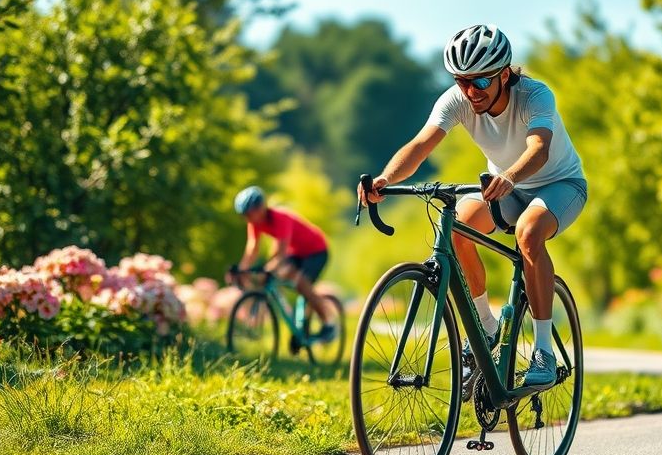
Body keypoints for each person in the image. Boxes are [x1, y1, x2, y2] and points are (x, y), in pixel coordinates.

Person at [358, 24, 586, 396]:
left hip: (558, 186)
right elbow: (420, 146)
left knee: (529, 233)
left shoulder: (535, 95)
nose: (470, 92)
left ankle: (544, 352)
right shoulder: (457, 100)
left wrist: (511, 176)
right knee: (458, 228)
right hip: (504, 188)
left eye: (480, 83)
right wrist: (384, 179)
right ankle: (485, 325)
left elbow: (538, 149)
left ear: (505, 74)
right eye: (462, 81)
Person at [230, 186, 337, 342]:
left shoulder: (281, 218)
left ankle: (329, 324)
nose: (248, 219)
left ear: (261, 208)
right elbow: (252, 249)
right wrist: (241, 269)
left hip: (317, 250)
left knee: (301, 283)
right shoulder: (254, 223)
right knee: (276, 277)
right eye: (244, 216)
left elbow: (280, 253)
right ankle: (298, 323)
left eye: (250, 214)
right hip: (297, 252)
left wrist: (266, 269)